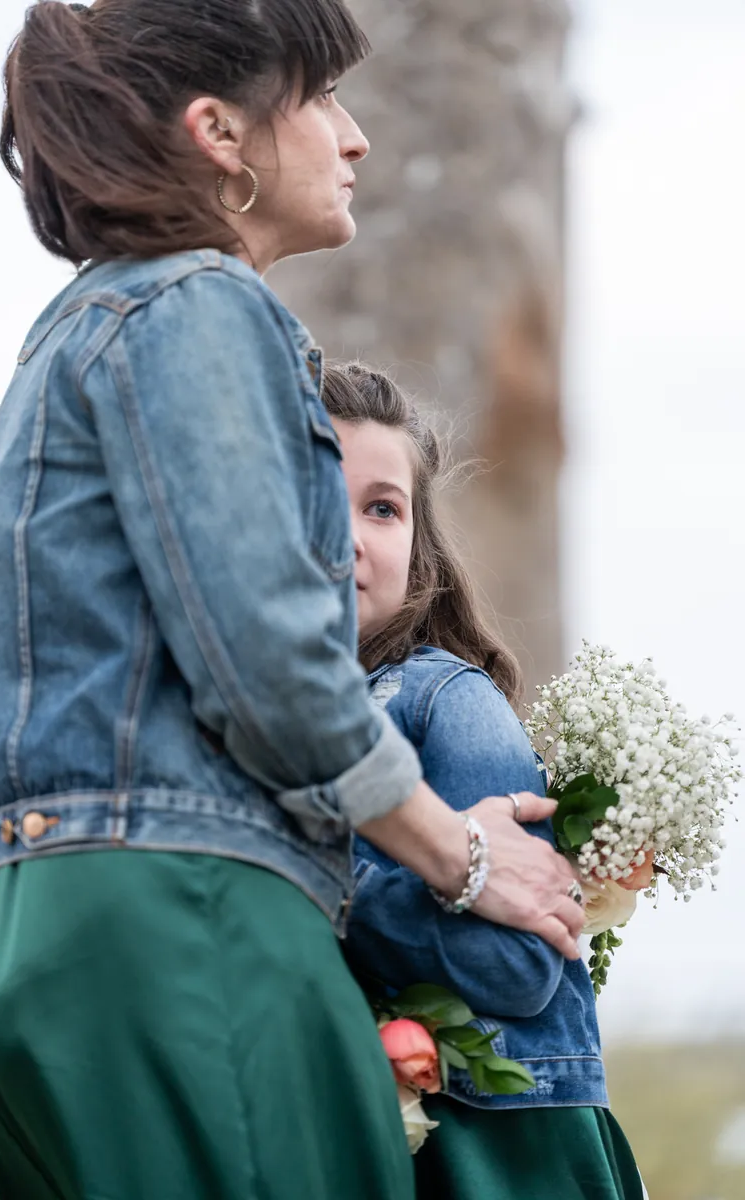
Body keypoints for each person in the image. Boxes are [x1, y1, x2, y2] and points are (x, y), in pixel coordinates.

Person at [0, 3, 583, 1198]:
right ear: (219, 135)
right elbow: (269, 663)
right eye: (322, 100)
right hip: (192, 933)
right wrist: (462, 858)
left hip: (54, 931)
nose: (354, 139)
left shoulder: (70, 340)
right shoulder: (198, 306)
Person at [323, 362, 645, 1200]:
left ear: (419, 547)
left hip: (500, 1150)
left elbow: (516, 967)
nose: (350, 534)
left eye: (382, 508)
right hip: (361, 1132)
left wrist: (323, 883)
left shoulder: (442, 700)